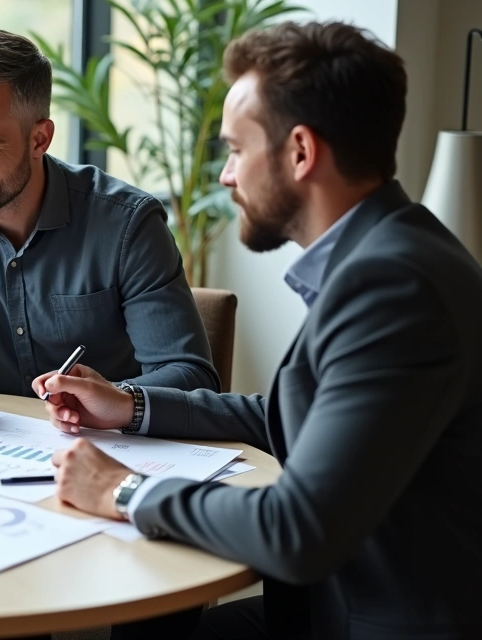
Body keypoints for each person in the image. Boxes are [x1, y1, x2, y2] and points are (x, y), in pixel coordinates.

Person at [34, 22, 482, 639]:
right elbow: (289, 417)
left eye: (236, 150)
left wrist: (123, 489)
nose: (225, 176)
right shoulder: (394, 251)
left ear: (300, 152)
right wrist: (131, 406)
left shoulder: (394, 288)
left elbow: (298, 530)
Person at [0, 30, 218, 416]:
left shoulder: (128, 224)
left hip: (104, 444)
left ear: (39, 139)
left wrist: (115, 399)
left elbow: (190, 375)